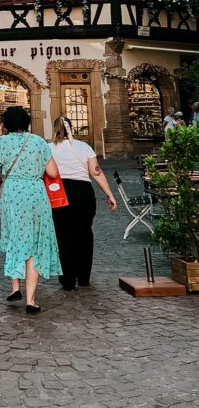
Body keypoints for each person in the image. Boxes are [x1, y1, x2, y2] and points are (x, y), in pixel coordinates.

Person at [0, 105, 61, 314]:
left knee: (14, 237)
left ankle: (15, 286)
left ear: (6, 123)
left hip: (12, 194)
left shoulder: (2, 142)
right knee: (35, 243)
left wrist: (0, 138)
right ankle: (31, 300)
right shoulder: (39, 142)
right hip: (36, 194)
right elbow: (53, 173)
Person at [50, 117, 117, 291]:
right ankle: (84, 276)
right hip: (83, 192)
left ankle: (68, 280)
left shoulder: (48, 149)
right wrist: (110, 195)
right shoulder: (84, 147)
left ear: (55, 129)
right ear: (71, 128)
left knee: (63, 236)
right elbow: (96, 172)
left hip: (60, 193)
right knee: (84, 233)